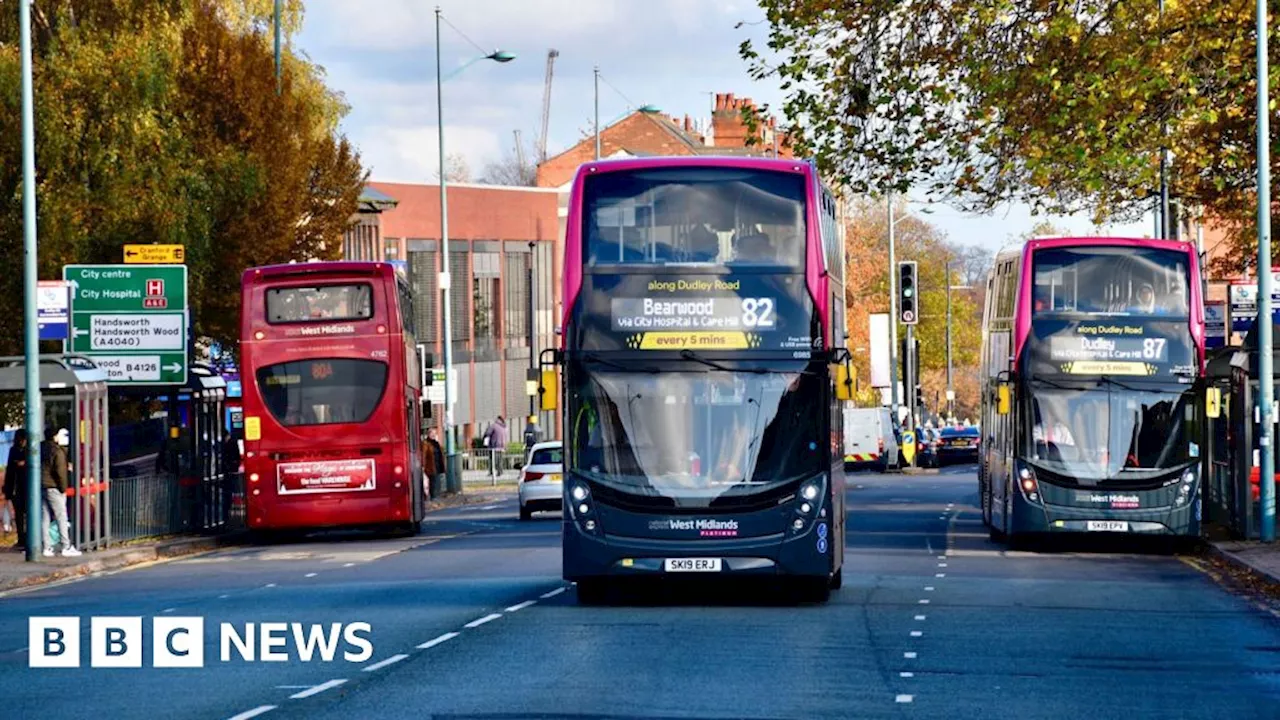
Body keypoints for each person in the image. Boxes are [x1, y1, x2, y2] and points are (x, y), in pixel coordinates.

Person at [40, 427, 79, 557]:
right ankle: (66, 546)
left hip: (41, 486)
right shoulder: (57, 451)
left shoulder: (40, 448)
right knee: (61, 516)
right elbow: (60, 472)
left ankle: (47, 547)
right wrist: (63, 488)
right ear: (55, 437)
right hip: (54, 486)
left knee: (44, 517)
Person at [4, 430, 28, 550]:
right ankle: (21, 539)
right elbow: (9, 471)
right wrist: (7, 490)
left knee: (26, 514)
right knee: (19, 514)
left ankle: (27, 538)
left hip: (26, 487)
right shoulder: (14, 450)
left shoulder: (29, 451)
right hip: (17, 487)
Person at [423, 427, 445, 498]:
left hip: (437, 465)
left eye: (435, 433)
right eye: (432, 433)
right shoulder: (425, 443)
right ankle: (433, 497)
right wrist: (423, 466)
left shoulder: (436, 443)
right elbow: (423, 455)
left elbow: (440, 453)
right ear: (428, 434)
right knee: (432, 482)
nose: (433, 435)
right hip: (430, 466)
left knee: (436, 481)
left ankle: (436, 496)